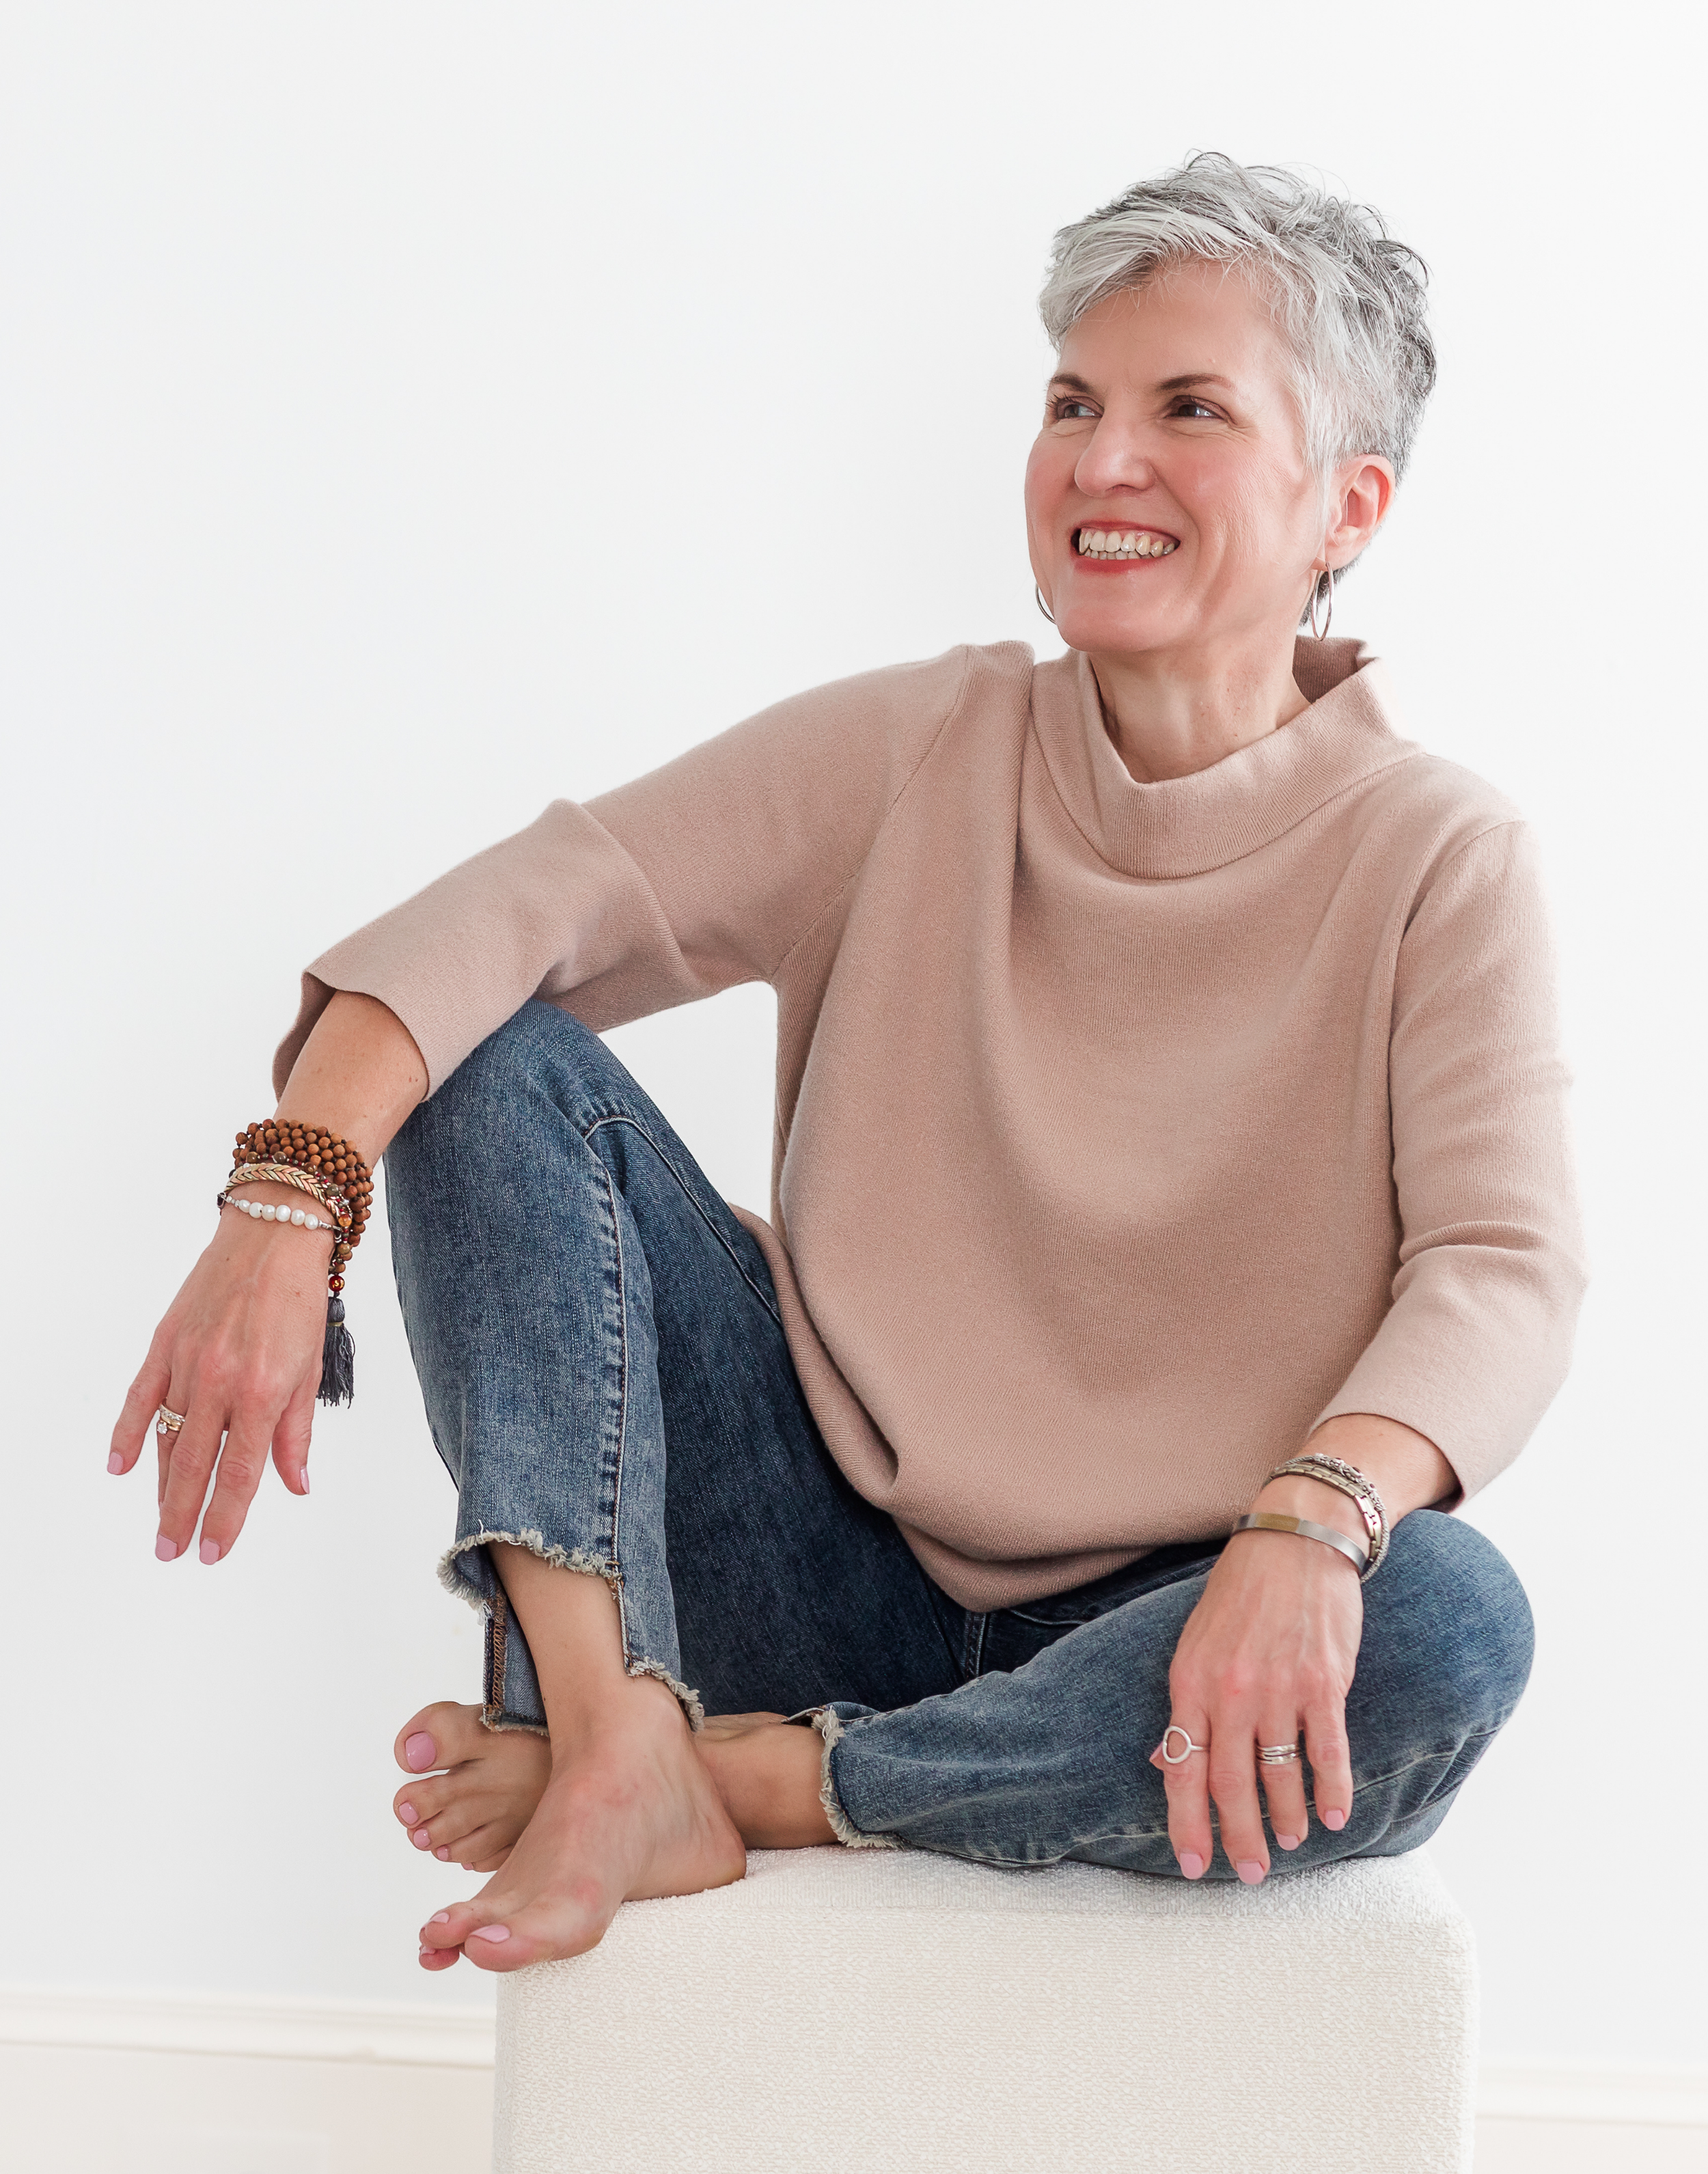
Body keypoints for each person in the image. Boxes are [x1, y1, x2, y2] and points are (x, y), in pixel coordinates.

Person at [111, 154, 1584, 1975]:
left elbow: (1498, 1271)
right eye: (1071, 404)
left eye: (1185, 409)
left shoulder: (1435, 851)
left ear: (1344, 503)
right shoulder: (919, 747)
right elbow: (528, 900)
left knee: (1444, 1624)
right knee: (485, 1052)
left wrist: (1315, 1517)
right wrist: (287, 1194)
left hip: (1173, 1625)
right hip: (812, 1548)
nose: (1099, 462)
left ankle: (761, 1783)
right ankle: (618, 1720)